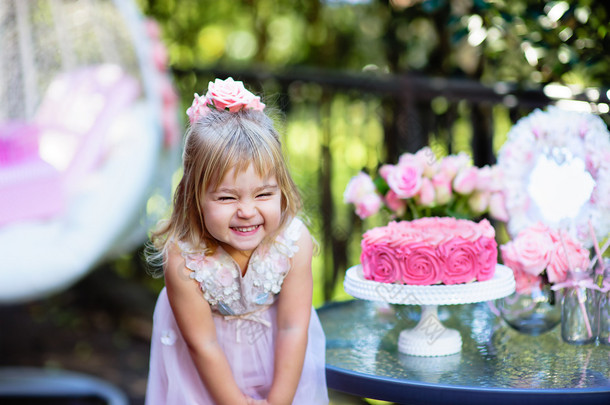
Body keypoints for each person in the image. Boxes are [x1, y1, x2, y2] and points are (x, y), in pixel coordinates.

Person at [145, 77, 329, 404]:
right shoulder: (185, 259)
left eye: (264, 194)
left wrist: (279, 401)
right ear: (194, 197)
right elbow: (203, 345)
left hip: (281, 359)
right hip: (206, 369)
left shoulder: (293, 242)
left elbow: (292, 327)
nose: (247, 211)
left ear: (281, 189)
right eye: (227, 198)